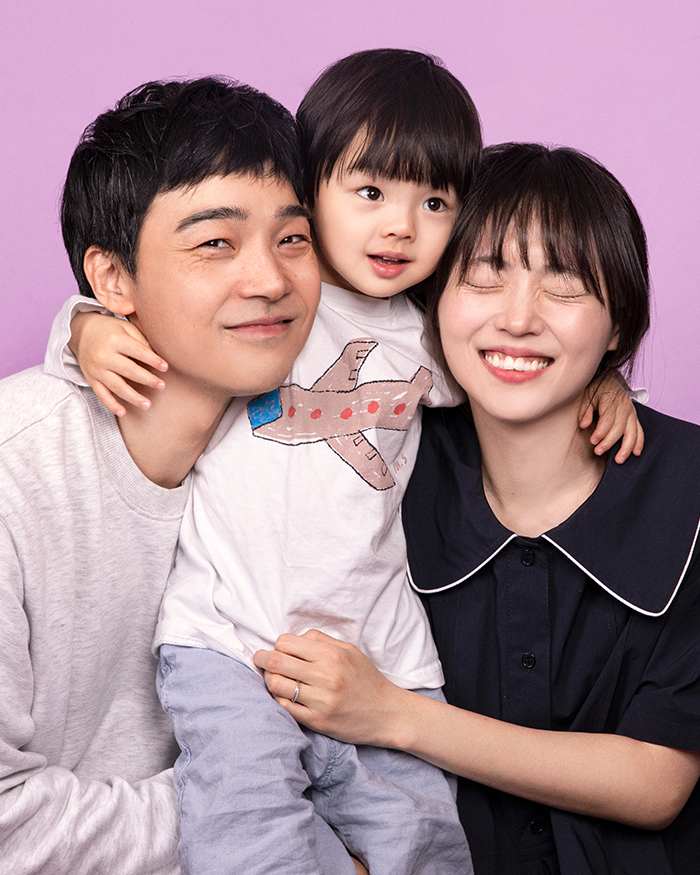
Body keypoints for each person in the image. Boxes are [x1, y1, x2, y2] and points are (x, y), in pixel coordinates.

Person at [47, 54, 644, 875]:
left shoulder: (436, 333)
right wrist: (83, 329)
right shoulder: (274, 300)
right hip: (229, 641)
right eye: (369, 193)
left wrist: (606, 381)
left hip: (382, 656)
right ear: (311, 189)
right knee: (248, 833)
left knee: (426, 843)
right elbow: (134, 304)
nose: (400, 227)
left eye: (434, 203)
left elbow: (521, 362)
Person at [254, 143, 700, 875]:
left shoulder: (685, 490)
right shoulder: (383, 468)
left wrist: (394, 714)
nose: (517, 319)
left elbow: (656, 782)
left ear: (618, 324)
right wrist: (87, 327)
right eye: (485, 277)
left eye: (564, 287)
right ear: (433, 301)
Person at [0, 77, 320, 875]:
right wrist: (279, 820)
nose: (270, 279)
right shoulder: (17, 471)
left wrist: (601, 384)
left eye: (293, 237)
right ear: (112, 281)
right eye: (215, 243)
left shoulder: (316, 444)